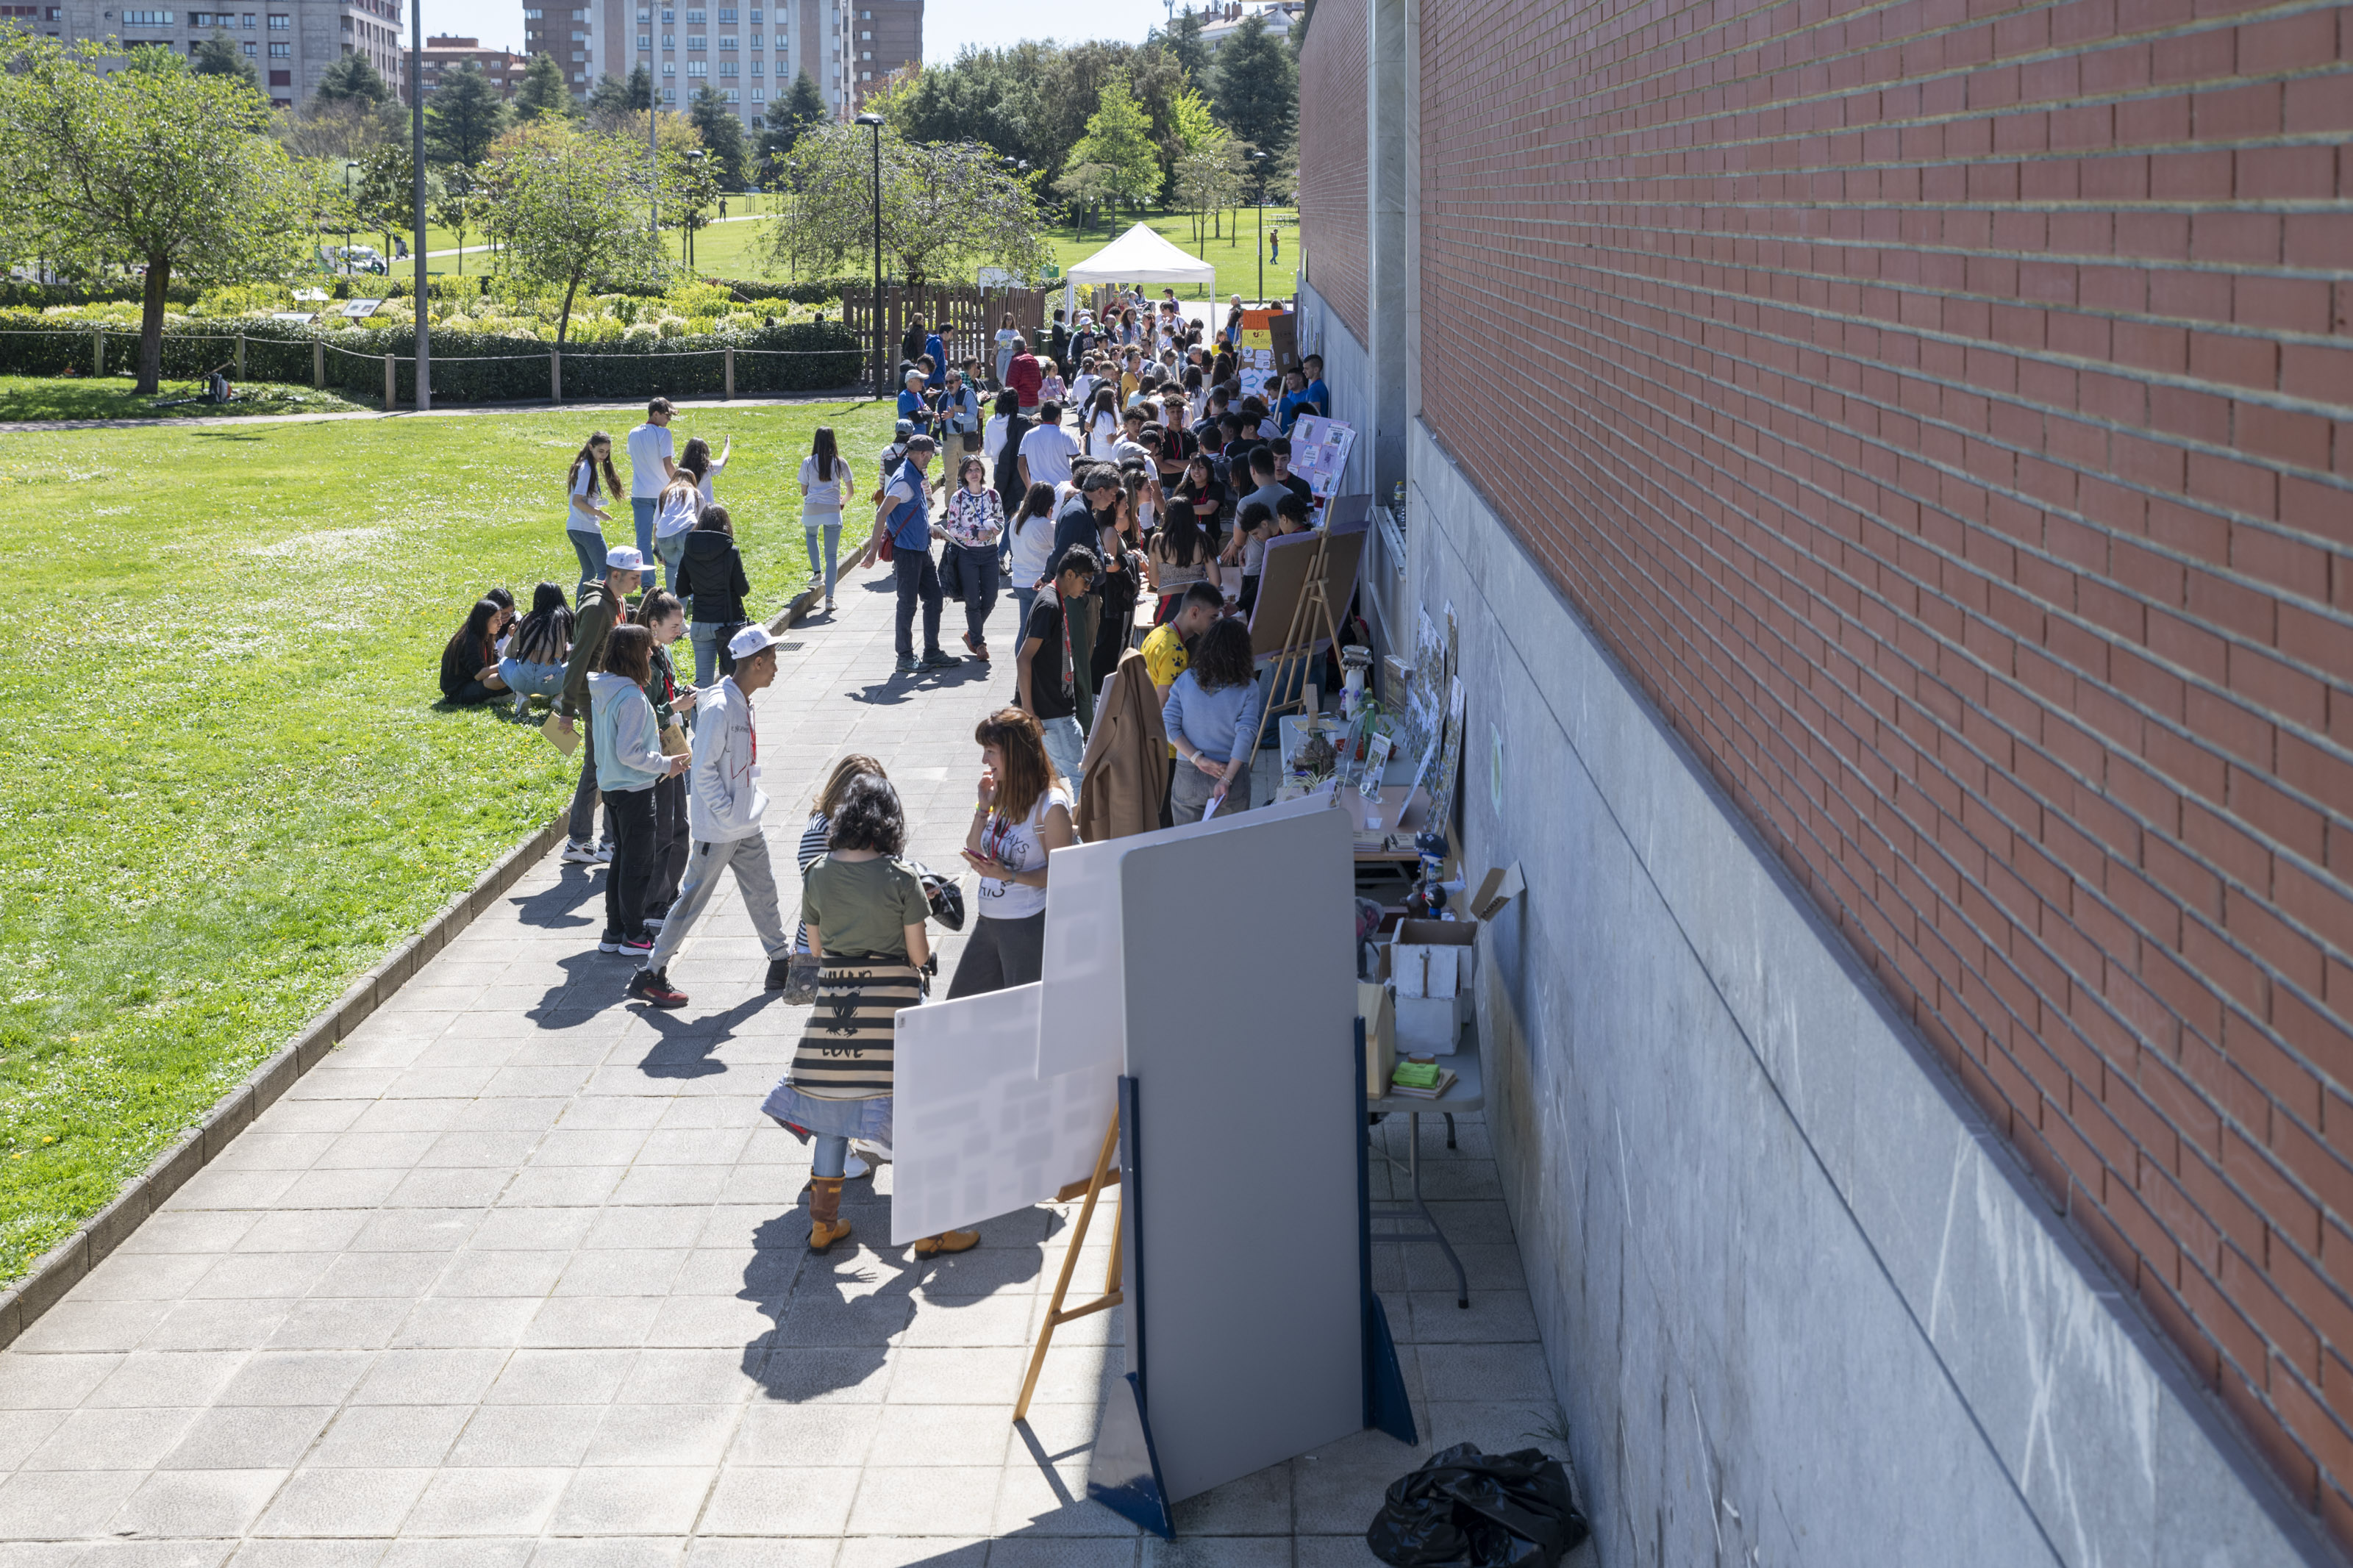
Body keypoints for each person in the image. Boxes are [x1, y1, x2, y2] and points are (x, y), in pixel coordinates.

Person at [762, 774, 975, 1256]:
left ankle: (823, 1224)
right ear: (889, 824)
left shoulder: (817, 872)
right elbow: (919, 956)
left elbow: (815, 948)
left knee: (832, 1111)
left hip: (837, 1008)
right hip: (894, 1010)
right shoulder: (902, 879)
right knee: (915, 1113)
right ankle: (930, 1229)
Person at [628, 624, 796, 1008]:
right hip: (721, 828)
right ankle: (651, 973)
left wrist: (742, 810)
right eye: (771, 660)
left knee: (764, 889)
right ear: (755, 662)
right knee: (692, 900)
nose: (775, 668)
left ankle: (779, 961)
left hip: (744, 821)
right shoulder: (722, 708)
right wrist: (725, 813)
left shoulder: (739, 698)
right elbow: (702, 770)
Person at [950, 708, 1075, 997]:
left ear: (1015, 754)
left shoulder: (1051, 806)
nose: (984, 760)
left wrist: (1008, 874)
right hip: (988, 923)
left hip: (1026, 926)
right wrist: (983, 807)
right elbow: (973, 846)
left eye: (991, 751)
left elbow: (1062, 875)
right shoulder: (1004, 794)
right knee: (961, 1006)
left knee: (1024, 1017)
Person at [589, 623, 692, 954]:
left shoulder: (606, 688)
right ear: (633, 654)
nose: (651, 653)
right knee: (638, 866)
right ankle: (634, 935)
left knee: (621, 861)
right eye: (646, 649)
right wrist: (667, 764)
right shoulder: (632, 697)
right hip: (635, 790)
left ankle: (614, 930)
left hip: (615, 788)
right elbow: (629, 752)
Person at [555, 545, 649, 864]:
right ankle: (582, 841)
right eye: (634, 577)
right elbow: (579, 659)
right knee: (599, 765)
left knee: (603, 764)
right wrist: (566, 712)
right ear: (616, 574)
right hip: (592, 696)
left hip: (607, 692)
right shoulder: (598, 607)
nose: (638, 583)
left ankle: (607, 840)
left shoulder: (617, 600)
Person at [858, 434, 959, 677]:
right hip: (907, 553)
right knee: (907, 604)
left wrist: (931, 530)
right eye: (931, 456)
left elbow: (913, 512)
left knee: (934, 598)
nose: (931, 460)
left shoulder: (914, 475)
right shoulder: (904, 480)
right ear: (922, 454)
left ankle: (932, 651)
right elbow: (882, 514)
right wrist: (873, 551)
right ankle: (904, 657)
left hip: (921, 548)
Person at [1162, 615, 1262, 824]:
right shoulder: (1249, 687)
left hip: (1189, 774)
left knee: (1187, 848)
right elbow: (1246, 735)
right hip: (1231, 775)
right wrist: (1226, 779)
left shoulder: (1186, 679)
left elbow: (1168, 724)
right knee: (1229, 850)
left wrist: (1198, 759)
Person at [636, 588, 697, 926]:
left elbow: (667, 694)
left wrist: (682, 697)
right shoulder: (642, 658)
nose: (680, 631)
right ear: (654, 624)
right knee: (664, 829)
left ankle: (670, 892)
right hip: (658, 755)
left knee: (680, 824)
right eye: (675, 626)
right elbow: (642, 712)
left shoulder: (663, 653)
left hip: (675, 748)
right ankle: (654, 903)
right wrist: (675, 706)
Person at [1018, 545, 1100, 788]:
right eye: (1086, 582)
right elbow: (1023, 658)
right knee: (1082, 780)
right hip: (1052, 714)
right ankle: (1082, 827)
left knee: (1047, 782)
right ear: (1070, 575)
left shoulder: (1055, 599)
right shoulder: (1049, 605)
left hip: (1053, 710)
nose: (1087, 590)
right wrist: (1030, 712)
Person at [675, 504, 751, 688]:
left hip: (700, 623)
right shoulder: (731, 552)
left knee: (702, 684)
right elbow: (743, 590)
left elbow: (682, 590)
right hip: (728, 625)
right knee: (732, 682)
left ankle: (699, 717)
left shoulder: (689, 552)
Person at [942, 455, 1004, 662]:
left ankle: (971, 633)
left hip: (989, 553)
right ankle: (979, 644)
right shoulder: (958, 497)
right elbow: (951, 528)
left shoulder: (993, 495)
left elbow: (1001, 519)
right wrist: (973, 534)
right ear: (964, 475)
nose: (974, 473)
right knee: (972, 600)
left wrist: (995, 529)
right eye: (970, 470)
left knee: (991, 598)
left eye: (977, 469)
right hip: (966, 553)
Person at [1142, 581, 1224, 706]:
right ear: (1195, 613)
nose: (1215, 623)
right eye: (1212, 617)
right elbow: (1165, 708)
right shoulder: (1176, 651)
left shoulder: (1156, 633)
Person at [498, 582, 573, 717]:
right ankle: (560, 698)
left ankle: (521, 696)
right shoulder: (566, 618)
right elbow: (580, 650)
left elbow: (509, 653)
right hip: (552, 680)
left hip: (522, 680)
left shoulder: (527, 619)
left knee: (504, 662)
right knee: (582, 664)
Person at [799, 426, 852, 614]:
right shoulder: (840, 463)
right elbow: (850, 492)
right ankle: (829, 599)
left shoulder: (807, 462)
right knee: (832, 556)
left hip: (812, 508)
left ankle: (816, 573)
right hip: (832, 511)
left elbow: (804, 491)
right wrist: (841, 502)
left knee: (811, 536)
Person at [626, 399, 677, 586]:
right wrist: (681, 482)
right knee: (672, 537)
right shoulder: (663, 434)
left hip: (639, 493)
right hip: (662, 494)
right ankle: (675, 581)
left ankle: (647, 585)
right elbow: (668, 465)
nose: (669, 420)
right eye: (667, 415)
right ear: (655, 413)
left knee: (643, 542)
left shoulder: (633, 433)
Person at [565, 432, 621, 601]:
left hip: (574, 527)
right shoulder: (587, 468)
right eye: (601, 451)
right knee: (606, 571)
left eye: (607, 452)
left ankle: (580, 615)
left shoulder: (584, 465)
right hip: (586, 528)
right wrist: (600, 513)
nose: (604, 455)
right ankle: (598, 611)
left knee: (589, 572)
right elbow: (577, 501)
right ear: (591, 447)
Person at [1004, 481, 1058, 642]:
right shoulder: (1047, 526)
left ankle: (1022, 665)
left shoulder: (1016, 520)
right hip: (1039, 584)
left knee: (1025, 629)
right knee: (1043, 631)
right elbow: (1061, 550)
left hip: (1020, 582)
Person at [1148, 501, 1218, 623]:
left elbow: (1154, 582)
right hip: (1198, 602)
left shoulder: (1157, 541)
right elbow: (1216, 582)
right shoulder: (1204, 539)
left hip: (1168, 602)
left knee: (1169, 641)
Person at [439, 599, 510, 706]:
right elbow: (479, 674)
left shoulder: (487, 636)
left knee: (511, 677)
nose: (500, 624)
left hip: (476, 683)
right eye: (496, 620)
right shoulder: (469, 640)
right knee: (499, 680)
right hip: (458, 692)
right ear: (484, 620)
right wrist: (505, 664)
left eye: (500, 619)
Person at [651, 459, 704, 594]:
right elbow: (700, 523)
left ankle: (671, 600)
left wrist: (657, 549)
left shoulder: (665, 493)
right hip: (686, 531)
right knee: (686, 568)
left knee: (671, 566)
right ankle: (684, 602)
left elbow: (656, 524)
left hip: (664, 535)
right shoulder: (696, 493)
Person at [934, 368, 982, 498]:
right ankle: (950, 508)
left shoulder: (968, 393)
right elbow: (939, 423)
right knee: (950, 477)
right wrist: (937, 421)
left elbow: (972, 416)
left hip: (967, 438)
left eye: (951, 382)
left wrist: (955, 415)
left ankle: (973, 502)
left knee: (972, 475)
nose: (948, 385)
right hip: (949, 440)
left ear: (959, 382)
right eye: (946, 382)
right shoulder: (943, 398)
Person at [1016, 399, 1078, 493]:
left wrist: (1030, 488)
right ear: (1058, 417)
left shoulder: (1028, 435)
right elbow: (1078, 462)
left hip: (1038, 491)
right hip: (1063, 491)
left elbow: (1021, 465)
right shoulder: (1065, 435)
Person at [988, 391, 1032, 520]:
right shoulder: (1020, 421)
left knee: (1003, 504)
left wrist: (997, 456)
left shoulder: (991, 421)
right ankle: (1007, 540)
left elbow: (987, 449)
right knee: (1014, 507)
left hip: (998, 468)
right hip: (1016, 468)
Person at [1082, 385, 1121, 459]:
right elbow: (1110, 440)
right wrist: (1122, 430)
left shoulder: (1098, 414)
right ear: (1107, 401)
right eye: (1113, 399)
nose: (1116, 401)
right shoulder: (1108, 417)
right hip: (1107, 454)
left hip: (1096, 453)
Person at [1006, 336, 1043, 413]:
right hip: (1033, 401)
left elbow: (1011, 385)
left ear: (1013, 349)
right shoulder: (1034, 360)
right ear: (1025, 346)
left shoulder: (1016, 361)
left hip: (1021, 401)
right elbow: (1039, 383)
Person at [1300, 354, 1332, 420]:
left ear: (1316, 370)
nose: (1304, 371)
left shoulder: (1314, 388)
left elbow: (1314, 415)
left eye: (1307, 369)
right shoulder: (1318, 386)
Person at [994, 312, 1020, 389]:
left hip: (1010, 352)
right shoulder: (1000, 332)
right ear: (1005, 321)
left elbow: (1019, 344)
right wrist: (992, 356)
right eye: (1007, 319)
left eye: (1010, 319)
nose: (1009, 321)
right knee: (999, 375)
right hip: (1001, 351)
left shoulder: (1015, 332)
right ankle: (1005, 386)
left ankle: (1006, 389)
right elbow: (996, 345)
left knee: (1006, 373)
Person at [1046, 307, 1071, 375]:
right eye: (1064, 316)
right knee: (1062, 372)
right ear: (1061, 317)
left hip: (1062, 352)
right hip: (1059, 353)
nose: (1065, 317)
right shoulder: (1057, 328)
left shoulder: (1062, 326)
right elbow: (1061, 341)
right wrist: (1067, 339)